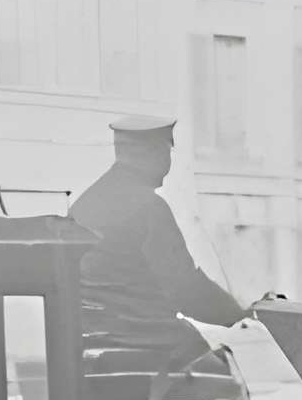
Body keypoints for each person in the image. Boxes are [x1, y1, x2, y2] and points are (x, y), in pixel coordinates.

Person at [68, 112, 249, 372]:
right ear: (154, 154)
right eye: (167, 154)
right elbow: (185, 289)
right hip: (143, 337)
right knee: (220, 374)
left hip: (92, 338)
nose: (168, 163)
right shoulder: (148, 207)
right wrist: (238, 314)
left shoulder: (85, 204)